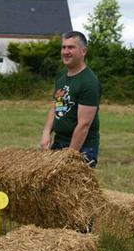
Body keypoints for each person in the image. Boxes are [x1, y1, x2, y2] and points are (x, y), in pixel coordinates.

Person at [40, 31, 100, 167]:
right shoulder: (62, 76)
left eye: (71, 47)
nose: (65, 52)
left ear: (83, 51)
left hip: (82, 148)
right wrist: (46, 133)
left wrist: (69, 156)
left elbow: (84, 125)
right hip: (59, 142)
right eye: (63, 47)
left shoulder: (89, 82)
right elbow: (56, 106)